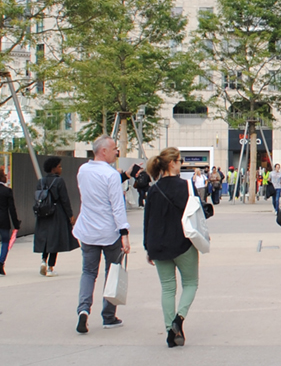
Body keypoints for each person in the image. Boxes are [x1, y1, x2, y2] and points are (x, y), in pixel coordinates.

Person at [143, 148, 200, 348]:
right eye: (179, 160)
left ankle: (170, 331)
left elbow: (147, 219)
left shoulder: (153, 189)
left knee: (167, 288)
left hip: (158, 244)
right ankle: (179, 319)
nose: (181, 163)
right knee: (191, 283)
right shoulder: (186, 185)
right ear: (172, 163)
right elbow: (196, 212)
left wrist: (147, 247)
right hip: (183, 242)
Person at [74, 135, 131, 334]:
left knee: (88, 272)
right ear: (104, 151)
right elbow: (117, 205)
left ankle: (83, 310)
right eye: (115, 148)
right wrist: (124, 232)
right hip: (109, 231)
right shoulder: (111, 175)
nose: (117, 152)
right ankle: (108, 315)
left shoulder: (83, 171)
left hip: (88, 229)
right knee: (112, 271)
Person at [34, 156, 78, 277]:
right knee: (55, 240)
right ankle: (50, 267)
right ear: (53, 169)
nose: (61, 168)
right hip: (56, 213)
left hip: (43, 213)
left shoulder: (41, 181)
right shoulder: (59, 181)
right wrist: (70, 215)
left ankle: (43, 260)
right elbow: (64, 199)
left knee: (46, 239)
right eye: (59, 166)